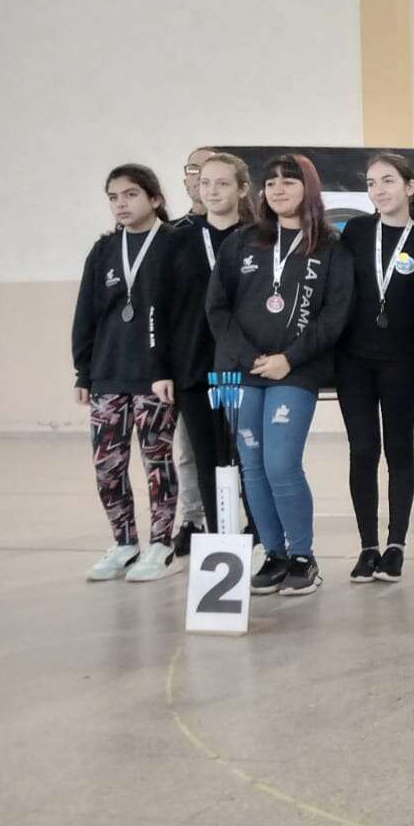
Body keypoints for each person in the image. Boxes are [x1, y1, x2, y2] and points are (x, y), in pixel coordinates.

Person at [205, 154, 353, 597]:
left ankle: (303, 556)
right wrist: (249, 357)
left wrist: (290, 358)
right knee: (252, 465)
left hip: (295, 372)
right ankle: (274, 553)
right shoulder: (242, 241)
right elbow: (217, 308)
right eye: (270, 183)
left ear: (308, 188)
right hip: (243, 371)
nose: (278, 189)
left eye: (289, 181)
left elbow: (335, 314)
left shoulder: (329, 245)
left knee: (281, 463)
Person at [336, 153, 414, 585]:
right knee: (362, 450)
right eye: (371, 182)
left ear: (410, 187)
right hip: (353, 359)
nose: (378, 190)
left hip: (401, 358)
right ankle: (367, 546)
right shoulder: (357, 231)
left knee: (399, 449)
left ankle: (396, 544)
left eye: (388, 181)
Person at [72, 164, 179, 583]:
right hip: (108, 373)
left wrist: (171, 367)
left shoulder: (174, 243)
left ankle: (161, 545)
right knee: (108, 466)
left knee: (157, 462)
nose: (121, 204)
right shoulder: (103, 250)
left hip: (155, 376)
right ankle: (124, 542)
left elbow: (180, 313)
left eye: (130, 194)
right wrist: (84, 372)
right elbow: (86, 313)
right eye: (113, 197)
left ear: (155, 198)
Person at [159, 152, 254, 537]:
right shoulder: (176, 239)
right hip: (194, 368)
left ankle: (262, 537)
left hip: (246, 369)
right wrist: (161, 368)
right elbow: (159, 308)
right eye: (205, 183)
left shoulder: (259, 238)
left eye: (223, 183)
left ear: (243, 189)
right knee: (207, 459)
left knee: (249, 459)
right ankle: (219, 539)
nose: (212, 191)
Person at [168, 145, 219, 554]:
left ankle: (243, 521)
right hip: (189, 359)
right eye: (194, 169)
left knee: (240, 449)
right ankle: (192, 518)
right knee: (190, 449)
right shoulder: (172, 235)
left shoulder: (247, 233)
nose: (201, 177)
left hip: (237, 360)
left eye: (211, 170)